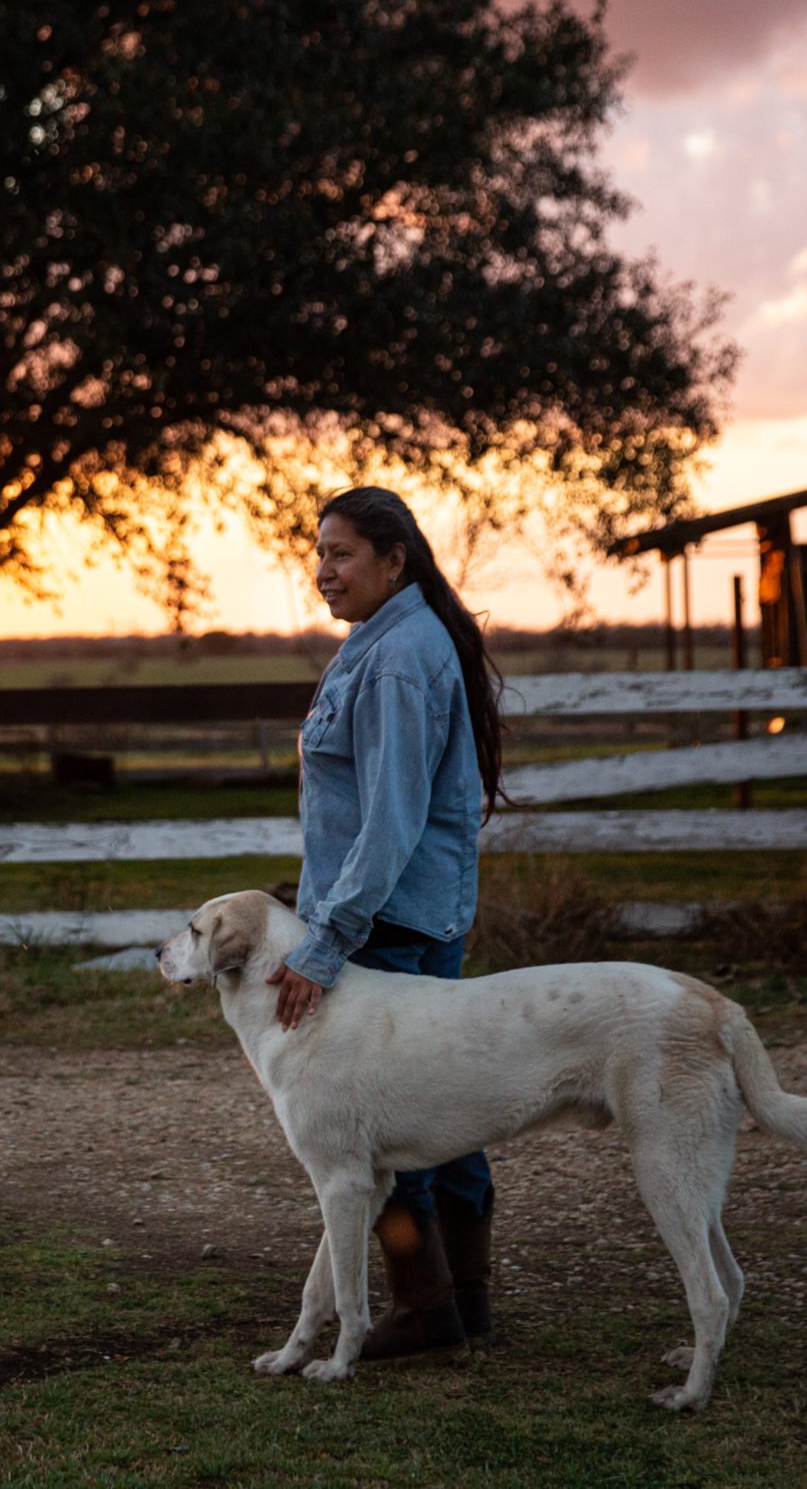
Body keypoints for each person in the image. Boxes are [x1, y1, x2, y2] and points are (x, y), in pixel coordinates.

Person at [269, 485, 507, 1357]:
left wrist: (325, 941)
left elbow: (393, 818)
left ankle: (424, 1307)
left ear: (394, 559)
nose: (322, 570)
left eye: (340, 553)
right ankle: (460, 1303)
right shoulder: (386, 644)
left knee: (389, 1115)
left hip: (390, 923)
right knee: (445, 1106)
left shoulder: (400, 657)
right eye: (319, 552)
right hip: (405, 914)